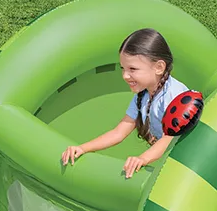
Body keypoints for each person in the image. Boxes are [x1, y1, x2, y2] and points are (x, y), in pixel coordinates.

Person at [61, 28, 190, 178]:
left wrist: (142, 159)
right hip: (176, 163)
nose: (125, 76)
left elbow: (169, 138)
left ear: (159, 67)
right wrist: (83, 148)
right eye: (123, 68)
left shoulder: (175, 95)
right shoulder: (143, 95)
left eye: (132, 69)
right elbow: (118, 132)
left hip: (191, 164)